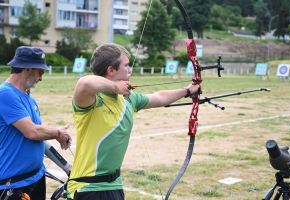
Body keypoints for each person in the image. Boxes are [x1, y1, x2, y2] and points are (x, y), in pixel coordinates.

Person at [67, 43, 200, 200]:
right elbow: (85, 83)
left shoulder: (128, 98)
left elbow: (158, 98)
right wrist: (115, 87)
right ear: (111, 70)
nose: (130, 70)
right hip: (88, 187)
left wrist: (188, 90)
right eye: (126, 65)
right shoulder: (93, 100)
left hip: (114, 184)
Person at [0, 46, 72, 200]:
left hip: (36, 179)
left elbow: (40, 138)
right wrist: (58, 133)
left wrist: (67, 167)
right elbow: (32, 132)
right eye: (40, 72)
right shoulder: (5, 94)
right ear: (27, 68)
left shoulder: (29, 99)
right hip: (13, 186)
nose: (41, 78)